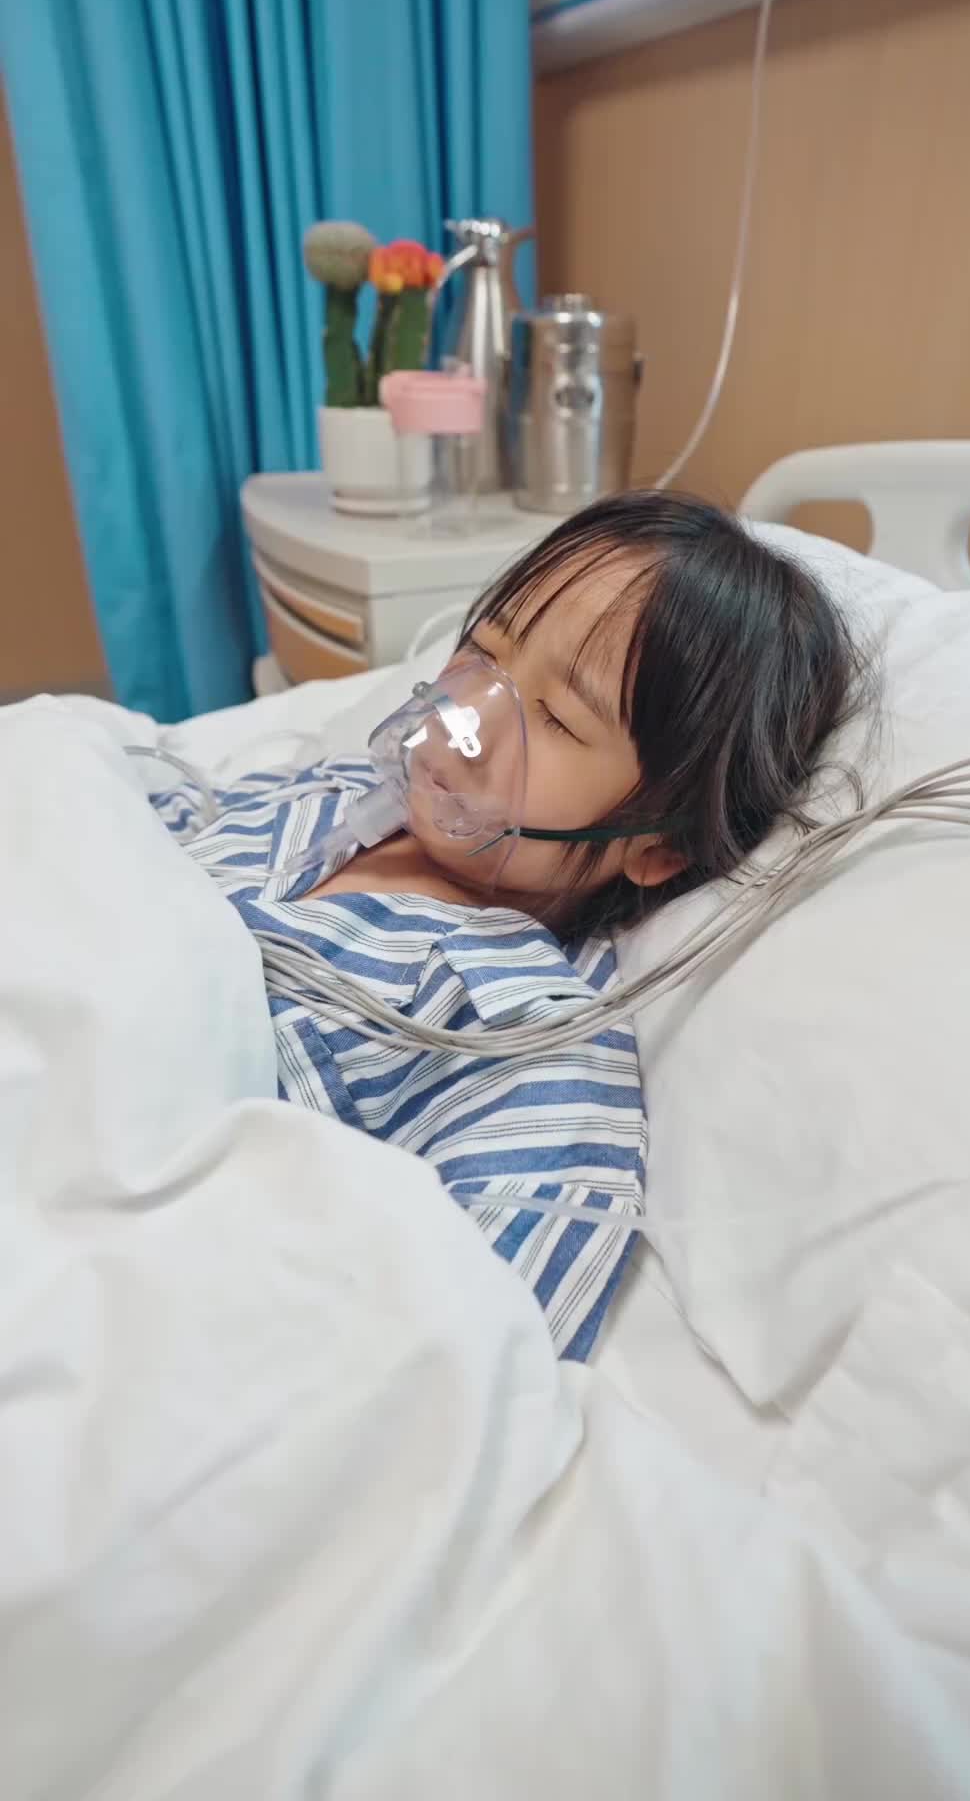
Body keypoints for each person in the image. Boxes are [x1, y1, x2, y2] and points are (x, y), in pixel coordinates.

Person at [154, 491, 865, 1361]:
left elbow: (456, 1361)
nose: (468, 719)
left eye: (558, 718)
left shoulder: (521, 1037)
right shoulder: (326, 796)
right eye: (484, 654)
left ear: (657, 847)